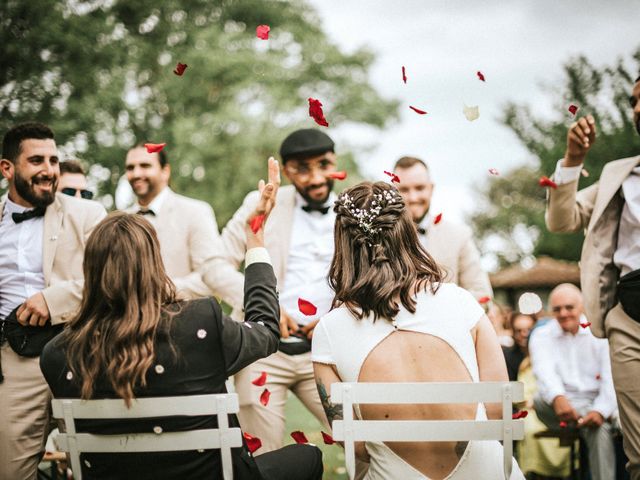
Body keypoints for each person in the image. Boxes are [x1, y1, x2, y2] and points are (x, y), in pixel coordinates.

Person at [40, 158, 324, 480]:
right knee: (308, 456)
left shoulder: (57, 354)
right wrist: (254, 238)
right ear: (153, 265)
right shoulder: (200, 323)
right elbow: (266, 331)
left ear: (90, 270)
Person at [311, 181, 524, 479]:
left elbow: (355, 446)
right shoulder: (462, 302)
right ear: (407, 231)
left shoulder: (328, 332)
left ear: (343, 243)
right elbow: (497, 413)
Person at [210, 128, 338, 453]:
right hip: (264, 355)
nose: (315, 178)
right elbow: (214, 264)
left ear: (334, 162)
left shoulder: (350, 211)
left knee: (363, 442)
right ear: (286, 169)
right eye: (302, 169)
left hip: (327, 352)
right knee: (261, 455)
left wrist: (339, 315)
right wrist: (264, 303)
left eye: (323, 165)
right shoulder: (261, 203)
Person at [545, 73, 640, 478]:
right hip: (630, 318)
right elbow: (562, 220)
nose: (636, 108)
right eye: (634, 100)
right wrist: (572, 160)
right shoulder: (621, 175)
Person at [0, 122, 107, 480]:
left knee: (106, 464)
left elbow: (111, 279)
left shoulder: (88, 215)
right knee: (11, 470)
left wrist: (53, 299)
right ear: (7, 168)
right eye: (36, 161)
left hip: (81, 353)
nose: (49, 170)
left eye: (53, 160)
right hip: (13, 363)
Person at [123, 143, 240, 304]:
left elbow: (210, 277)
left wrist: (156, 291)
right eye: (130, 168)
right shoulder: (120, 220)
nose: (136, 173)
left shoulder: (195, 212)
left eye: (145, 166)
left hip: (180, 322)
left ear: (165, 171)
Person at [530, 284, 617, 480]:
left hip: (595, 401)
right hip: (556, 407)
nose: (563, 313)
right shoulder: (541, 335)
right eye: (557, 309)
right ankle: (605, 419)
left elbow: (610, 377)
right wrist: (557, 397)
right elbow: (544, 373)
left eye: (569, 307)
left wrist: (600, 411)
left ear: (582, 307)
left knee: (598, 427)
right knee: (538, 399)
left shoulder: (599, 333)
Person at [393, 156, 493, 300]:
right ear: (393, 191)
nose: (413, 197)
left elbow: (482, 294)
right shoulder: (378, 236)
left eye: (420, 188)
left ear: (431, 188)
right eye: (404, 189)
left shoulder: (459, 236)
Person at [503, 312, 535, 381]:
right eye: (519, 331)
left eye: (529, 330)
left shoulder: (544, 353)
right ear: (513, 333)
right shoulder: (507, 357)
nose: (524, 334)